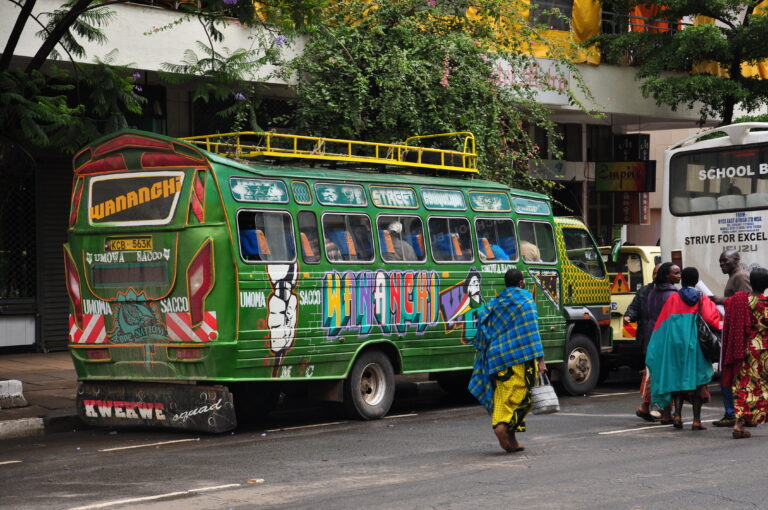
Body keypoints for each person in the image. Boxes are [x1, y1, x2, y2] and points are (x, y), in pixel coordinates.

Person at [468, 269, 546, 453]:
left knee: (503, 395)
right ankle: (502, 426)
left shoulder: (498, 301)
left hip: (497, 357)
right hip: (521, 356)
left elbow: (484, 323)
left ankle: (510, 438)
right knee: (523, 396)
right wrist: (541, 359)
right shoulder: (526, 301)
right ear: (521, 283)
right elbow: (532, 332)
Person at [645, 267, 719, 430]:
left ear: (683, 280)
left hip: (675, 345)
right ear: (696, 281)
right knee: (698, 382)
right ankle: (696, 421)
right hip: (696, 347)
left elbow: (661, 325)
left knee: (677, 381)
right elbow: (711, 319)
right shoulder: (702, 298)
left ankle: (677, 416)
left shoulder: (673, 299)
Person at [711, 250, 752, 427]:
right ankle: (740, 414)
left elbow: (745, 301)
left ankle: (734, 414)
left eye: (725, 261)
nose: (722, 264)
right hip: (732, 329)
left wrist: (721, 300)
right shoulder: (734, 276)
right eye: (720, 261)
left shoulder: (741, 277)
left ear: (737, 260)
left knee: (730, 374)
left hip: (738, 333)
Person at [726, 268, 768, 439]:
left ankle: (739, 423)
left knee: (745, 386)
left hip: (745, 350)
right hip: (765, 350)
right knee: (764, 387)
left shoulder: (742, 302)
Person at [643, 262, 681, 423]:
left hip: (653, 337)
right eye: (676, 273)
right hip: (668, 340)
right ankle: (666, 413)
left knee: (656, 375)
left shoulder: (653, 292)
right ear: (667, 276)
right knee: (670, 377)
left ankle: (649, 407)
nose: (679, 276)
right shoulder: (673, 295)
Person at [625, 264, 660, 422]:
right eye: (654, 273)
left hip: (663, 339)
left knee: (655, 374)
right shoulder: (645, 291)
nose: (655, 276)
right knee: (652, 373)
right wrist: (629, 316)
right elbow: (634, 307)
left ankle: (652, 407)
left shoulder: (671, 293)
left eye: (658, 273)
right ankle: (651, 407)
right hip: (649, 338)